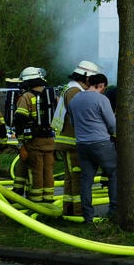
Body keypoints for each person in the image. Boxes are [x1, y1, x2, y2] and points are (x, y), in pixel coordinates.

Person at [52, 60, 101, 217]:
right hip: (73, 142)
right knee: (79, 178)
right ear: (86, 77)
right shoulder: (75, 92)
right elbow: (82, 116)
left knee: (71, 178)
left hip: (67, 141)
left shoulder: (71, 88)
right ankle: (80, 213)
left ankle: (70, 211)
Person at [68, 72, 118, 223]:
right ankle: (114, 212)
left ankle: (88, 216)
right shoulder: (101, 99)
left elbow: (72, 122)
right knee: (114, 174)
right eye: (103, 87)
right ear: (101, 85)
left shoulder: (75, 99)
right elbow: (112, 123)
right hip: (101, 143)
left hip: (82, 145)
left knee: (86, 180)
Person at [14, 66, 56, 203]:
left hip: (34, 141)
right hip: (50, 140)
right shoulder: (52, 96)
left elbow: (19, 120)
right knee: (48, 170)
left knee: (36, 170)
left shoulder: (26, 97)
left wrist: (21, 144)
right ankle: (48, 200)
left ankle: (35, 202)